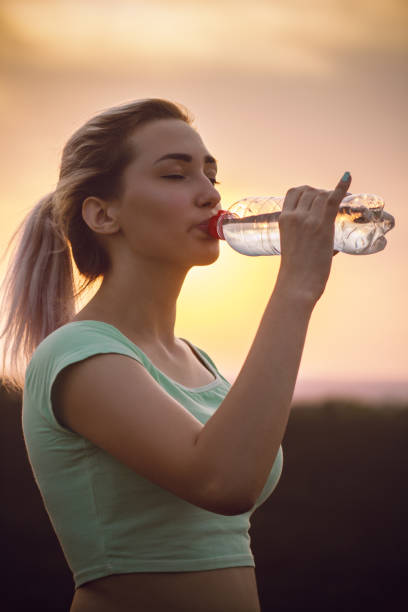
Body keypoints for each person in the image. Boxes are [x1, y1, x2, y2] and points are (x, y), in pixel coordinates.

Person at [0, 98, 352, 612]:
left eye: (212, 176)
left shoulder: (197, 361)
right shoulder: (77, 353)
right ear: (103, 213)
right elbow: (224, 481)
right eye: (175, 175)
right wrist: (296, 290)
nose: (211, 195)